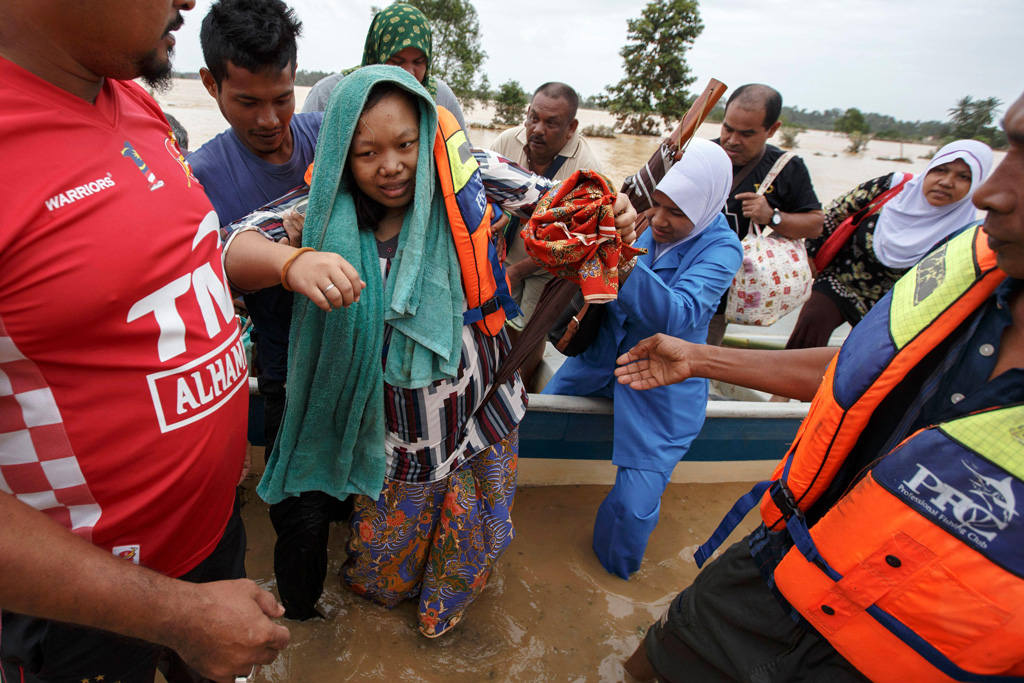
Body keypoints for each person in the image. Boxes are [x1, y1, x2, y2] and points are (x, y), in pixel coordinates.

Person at [615, 92, 1024, 683]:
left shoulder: (722, 243)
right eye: (1009, 147)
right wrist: (701, 358)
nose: (988, 192)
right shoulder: (966, 263)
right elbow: (859, 370)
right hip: (789, 559)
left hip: (908, 650)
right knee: (650, 666)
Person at [224, 67, 637, 637]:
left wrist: (609, 211)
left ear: (427, 133)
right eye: (367, 152)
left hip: (482, 407)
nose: (389, 166)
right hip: (400, 433)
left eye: (405, 145)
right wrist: (291, 261)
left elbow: (562, 203)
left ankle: (444, 615)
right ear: (344, 153)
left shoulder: (470, 173)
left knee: (470, 541)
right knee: (380, 572)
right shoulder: (317, 210)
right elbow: (231, 244)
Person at [0, 1, 290, 682]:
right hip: (86, 607)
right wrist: (179, 616)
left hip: (213, 544)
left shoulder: (131, 97)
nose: (190, 1)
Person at [185, 0, 355, 623]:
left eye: (282, 98)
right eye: (247, 102)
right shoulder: (201, 175)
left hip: (362, 355)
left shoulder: (329, 140)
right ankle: (305, 622)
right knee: (299, 510)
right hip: (289, 365)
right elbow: (217, 262)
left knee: (354, 493)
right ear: (211, 86)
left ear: (296, 77)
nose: (269, 119)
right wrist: (287, 250)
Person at [542, 138, 743, 580]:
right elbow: (600, 278)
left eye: (677, 212)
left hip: (659, 382)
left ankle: (610, 582)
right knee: (532, 424)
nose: (662, 221)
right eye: (659, 206)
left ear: (707, 206)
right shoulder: (652, 222)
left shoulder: (724, 249)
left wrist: (623, 258)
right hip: (599, 361)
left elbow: (678, 314)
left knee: (633, 511)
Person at [786, 139, 993, 352]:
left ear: (976, 184)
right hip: (841, 280)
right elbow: (835, 212)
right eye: (940, 170)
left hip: (891, 309)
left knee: (864, 358)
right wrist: (810, 254)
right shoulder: (894, 186)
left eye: (963, 177)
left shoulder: (965, 234)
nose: (947, 182)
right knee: (812, 322)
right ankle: (785, 378)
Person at [490, 82, 604, 388]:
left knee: (530, 331)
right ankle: (491, 380)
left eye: (551, 123)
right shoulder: (506, 141)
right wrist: (497, 222)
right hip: (505, 251)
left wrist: (515, 271)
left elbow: (575, 242)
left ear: (571, 127)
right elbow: (480, 188)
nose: (537, 129)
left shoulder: (586, 168)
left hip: (554, 264)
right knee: (493, 322)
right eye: (533, 118)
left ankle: (519, 393)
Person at [709, 83, 824, 345]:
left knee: (693, 360)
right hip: (676, 277)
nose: (733, 140)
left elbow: (815, 224)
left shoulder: (787, 168)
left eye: (747, 134)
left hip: (721, 295)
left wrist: (771, 216)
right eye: (728, 128)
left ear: (772, 130)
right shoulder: (702, 155)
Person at [301, 2, 468, 132]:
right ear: (376, 55)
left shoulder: (440, 98)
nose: (409, 73)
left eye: (418, 62)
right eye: (396, 61)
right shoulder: (328, 94)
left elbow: (464, 161)